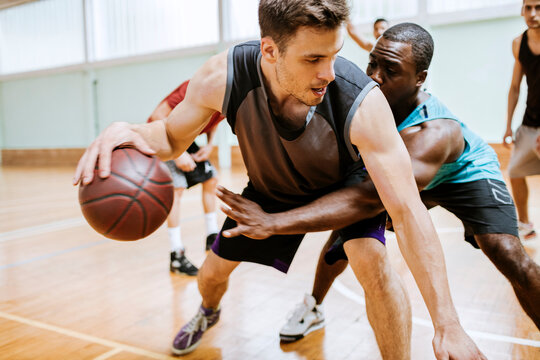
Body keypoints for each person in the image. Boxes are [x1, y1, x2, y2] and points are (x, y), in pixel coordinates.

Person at [73, 1, 485, 359]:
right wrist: (125, 130)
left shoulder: (362, 101)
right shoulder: (223, 77)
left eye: (335, 54)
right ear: (270, 50)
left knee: (372, 263)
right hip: (270, 190)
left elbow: (408, 210)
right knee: (210, 276)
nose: (330, 72)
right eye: (312, 59)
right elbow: (168, 136)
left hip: (342, 185)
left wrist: (447, 322)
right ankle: (208, 311)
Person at [217, 23, 540, 340]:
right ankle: (313, 305)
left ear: (420, 79)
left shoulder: (434, 133)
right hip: (404, 176)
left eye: (391, 70)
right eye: (373, 63)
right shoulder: (358, 101)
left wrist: (273, 222)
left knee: (507, 253)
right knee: (347, 237)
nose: (374, 76)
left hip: (464, 174)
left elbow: (368, 198)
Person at [147, 80, 224, 276]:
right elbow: (158, 115)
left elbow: (214, 119)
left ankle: (212, 235)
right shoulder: (197, 86)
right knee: (177, 189)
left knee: (211, 179)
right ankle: (176, 255)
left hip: (183, 137)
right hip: (161, 135)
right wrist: (178, 154)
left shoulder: (230, 96)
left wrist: (210, 144)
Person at [503, 0, 540, 240]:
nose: (533, 13)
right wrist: (508, 125)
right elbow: (515, 87)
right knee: (515, 171)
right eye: (528, 8)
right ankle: (525, 223)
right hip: (529, 121)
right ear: (522, 11)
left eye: (538, 7)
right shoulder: (519, 43)